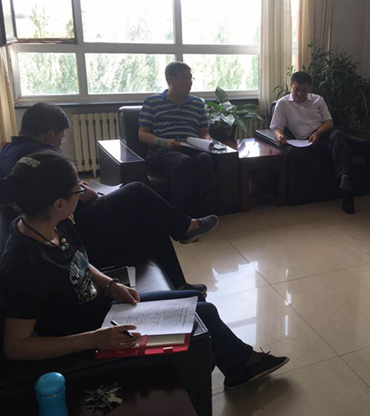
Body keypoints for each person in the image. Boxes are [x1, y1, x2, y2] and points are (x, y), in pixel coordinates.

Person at [0, 151, 289, 400]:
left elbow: (76, 261)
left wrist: (109, 283)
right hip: (92, 337)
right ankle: (240, 368)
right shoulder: (24, 263)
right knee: (204, 313)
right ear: (59, 203)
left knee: (196, 300)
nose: (82, 194)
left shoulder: (49, 222)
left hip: (105, 311)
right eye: (77, 191)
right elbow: (16, 347)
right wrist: (94, 339)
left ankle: (239, 367)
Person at [0, 103, 215, 293]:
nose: (60, 142)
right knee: (138, 192)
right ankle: (183, 229)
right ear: (49, 135)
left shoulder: (9, 151)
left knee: (148, 214)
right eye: (61, 136)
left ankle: (179, 282)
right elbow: (88, 195)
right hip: (73, 229)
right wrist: (81, 189)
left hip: (54, 226)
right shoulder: (45, 154)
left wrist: (77, 186)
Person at [270, 71, 356, 214]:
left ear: (310, 88)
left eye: (303, 90)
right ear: (291, 86)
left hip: (325, 133)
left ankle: (345, 179)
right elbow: (276, 127)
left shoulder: (318, 100)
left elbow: (329, 122)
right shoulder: (283, 103)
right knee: (345, 151)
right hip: (309, 141)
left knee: (338, 136)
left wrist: (318, 133)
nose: (299, 94)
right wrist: (280, 137)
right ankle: (346, 188)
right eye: (296, 90)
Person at [139, 61, 217, 216]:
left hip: (191, 148)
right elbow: (142, 134)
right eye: (184, 77)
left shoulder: (197, 104)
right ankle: (181, 217)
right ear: (171, 79)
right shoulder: (152, 102)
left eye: (190, 77)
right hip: (163, 150)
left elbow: (204, 132)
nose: (189, 82)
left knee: (205, 159)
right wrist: (164, 142)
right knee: (184, 162)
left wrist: (207, 141)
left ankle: (202, 213)